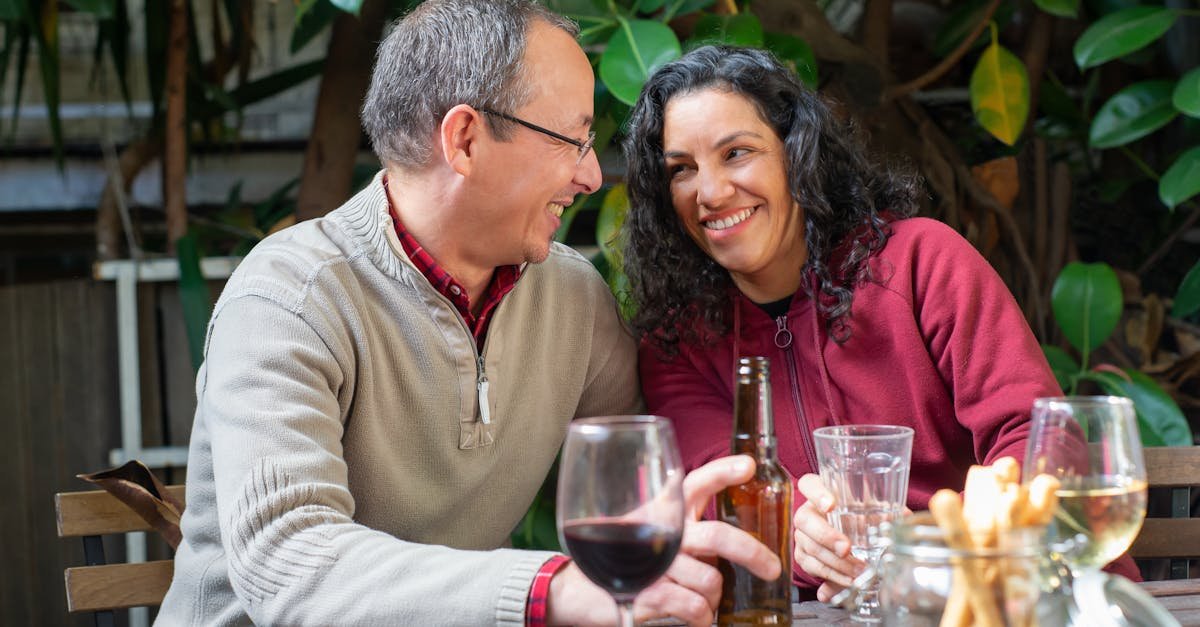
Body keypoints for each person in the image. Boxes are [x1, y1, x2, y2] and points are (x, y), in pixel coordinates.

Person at [156, 4, 778, 625]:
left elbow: (645, 470)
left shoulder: (571, 297)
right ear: (466, 140)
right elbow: (289, 562)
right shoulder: (289, 297)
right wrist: (552, 590)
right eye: (573, 139)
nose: (591, 175)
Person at [620, 45, 1140, 603]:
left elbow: (1041, 443)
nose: (711, 192)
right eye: (682, 170)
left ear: (797, 154)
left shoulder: (923, 263)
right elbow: (725, 483)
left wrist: (926, 548)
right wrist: (799, 532)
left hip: (1014, 595)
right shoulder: (679, 337)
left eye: (737, 153)